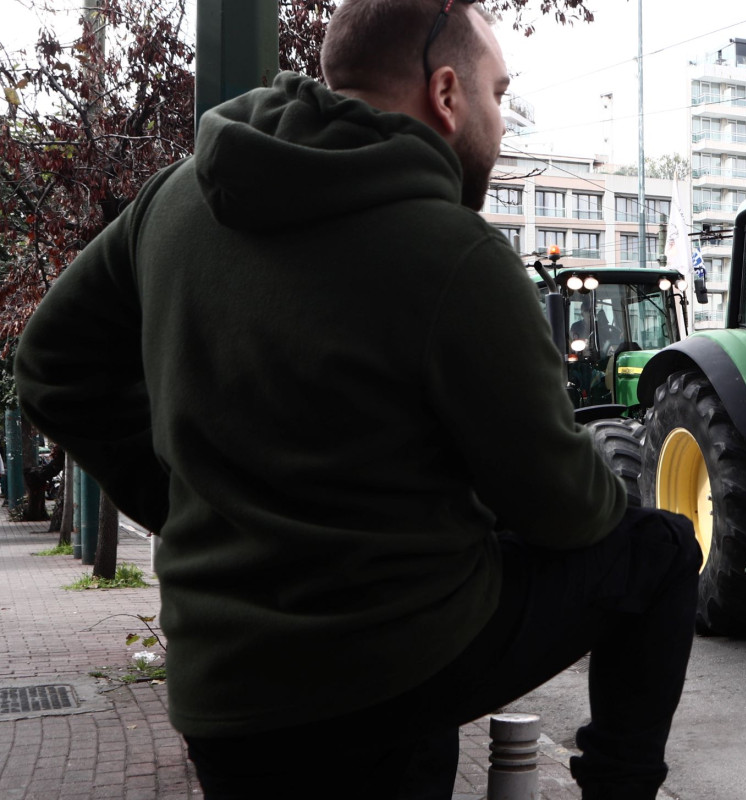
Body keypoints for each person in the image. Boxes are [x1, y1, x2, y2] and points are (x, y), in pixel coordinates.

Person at [13, 1, 698, 796]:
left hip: (223, 699)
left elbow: (49, 364)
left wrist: (179, 503)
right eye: (499, 95)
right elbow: (568, 512)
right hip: (387, 675)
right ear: (446, 93)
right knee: (660, 555)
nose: (501, 121)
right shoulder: (455, 253)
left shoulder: (174, 201)